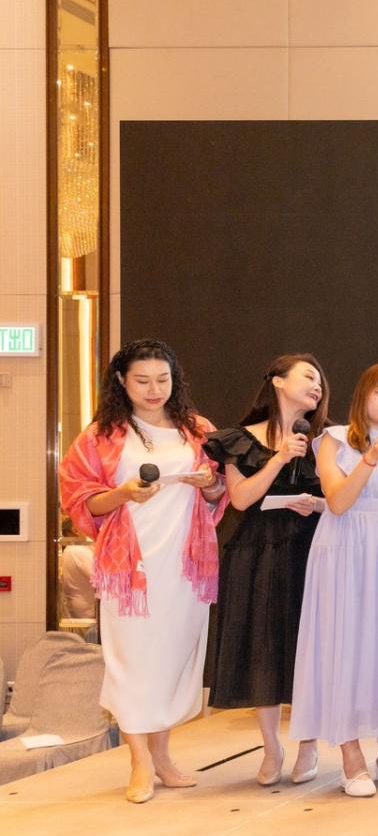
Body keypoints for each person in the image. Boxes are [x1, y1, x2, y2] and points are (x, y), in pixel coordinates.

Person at [57, 338, 227, 804]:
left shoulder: (197, 430)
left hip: (185, 563)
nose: (154, 390)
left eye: (162, 380)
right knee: (132, 661)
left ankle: (163, 756)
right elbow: (79, 499)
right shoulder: (102, 435)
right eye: (142, 381)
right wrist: (124, 493)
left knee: (172, 659)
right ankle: (138, 762)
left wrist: (210, 483)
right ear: (121, 381)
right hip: (127, 566)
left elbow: (220, 492)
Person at [289, 363, 378, 797]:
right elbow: (337, 501)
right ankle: (351, 758)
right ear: (362, 397)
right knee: (344, 646)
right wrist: (371, 457)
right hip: (345, 548)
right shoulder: (333, 440)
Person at [203, 353, 330, 787]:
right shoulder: (239, 439)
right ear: (277, 381)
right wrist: (278, 458)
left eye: (320, 381)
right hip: (255, 550)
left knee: (308, 646)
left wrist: (316, 503)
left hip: (308, 548)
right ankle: (271, 747)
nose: (317, 386)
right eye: (308, 376)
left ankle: (309, 744)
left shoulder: (325, 440)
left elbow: (340, 498)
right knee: (263, 644)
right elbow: (240, 498)